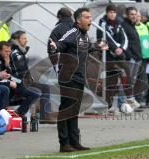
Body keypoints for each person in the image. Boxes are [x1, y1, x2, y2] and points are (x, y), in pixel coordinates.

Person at [50, 7, 108, 152]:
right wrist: (55, 46)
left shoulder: (84, 35)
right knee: (66, 109)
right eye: (87, 17)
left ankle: (75, 141)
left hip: (79, 77)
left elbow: (86, 48)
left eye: (90, 17)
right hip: (68, 77)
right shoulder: (73, 32)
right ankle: (64, 143)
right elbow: (61, 43)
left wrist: (97, 46)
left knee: (74, 110)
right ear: (78, 20)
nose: (90, 20)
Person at [97, 4, 138, 112]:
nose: (112, 14)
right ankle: (123, 100)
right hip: (109, 56)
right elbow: (105, 38)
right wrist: (115, 48)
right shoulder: (102, 23)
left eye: (114, 12)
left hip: (119, 54)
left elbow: (125, 38)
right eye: (110, 12)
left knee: (115, 79)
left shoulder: (119, 23)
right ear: (107, 13)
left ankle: (111, 104)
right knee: (115, 78)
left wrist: (122, 49)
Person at [10, 31, 51, 118]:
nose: (26, 41)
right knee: (38, 91)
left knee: (45, 87)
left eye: (26, 38)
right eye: (23, 38)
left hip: (24, 81)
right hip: (18, 82)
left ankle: (45, 115)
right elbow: (18, 72)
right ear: (17, 40)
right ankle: (19, 113)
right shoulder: (15, 53)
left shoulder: (21, 52)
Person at [134, 10, 149, 107]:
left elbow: (148, 42)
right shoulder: (132, 27)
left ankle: (139, 100)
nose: (138, 17)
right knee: (133, 80)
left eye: (139, 16)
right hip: (135, 56)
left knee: (142, 80)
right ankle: (133, 100)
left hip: (144, 57)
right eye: (136, 16)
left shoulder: (145, 27)